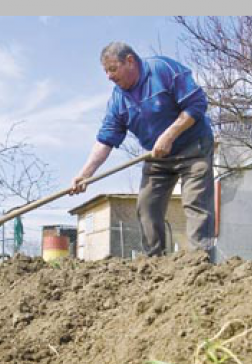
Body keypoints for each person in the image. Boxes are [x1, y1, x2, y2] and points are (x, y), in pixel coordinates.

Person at [70, 42, 216, 259]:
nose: (109, 77)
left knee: (195, 202)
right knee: (147, 206)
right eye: (106, 72)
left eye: (112, 69)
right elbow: (105, 140)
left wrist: (169, 135)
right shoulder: (118, 100)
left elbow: (196, 104)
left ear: (129, 61)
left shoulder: (163, 70)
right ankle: (154, 262)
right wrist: (85, 174)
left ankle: (200, 262)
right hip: (158, 157)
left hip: (193, 148)